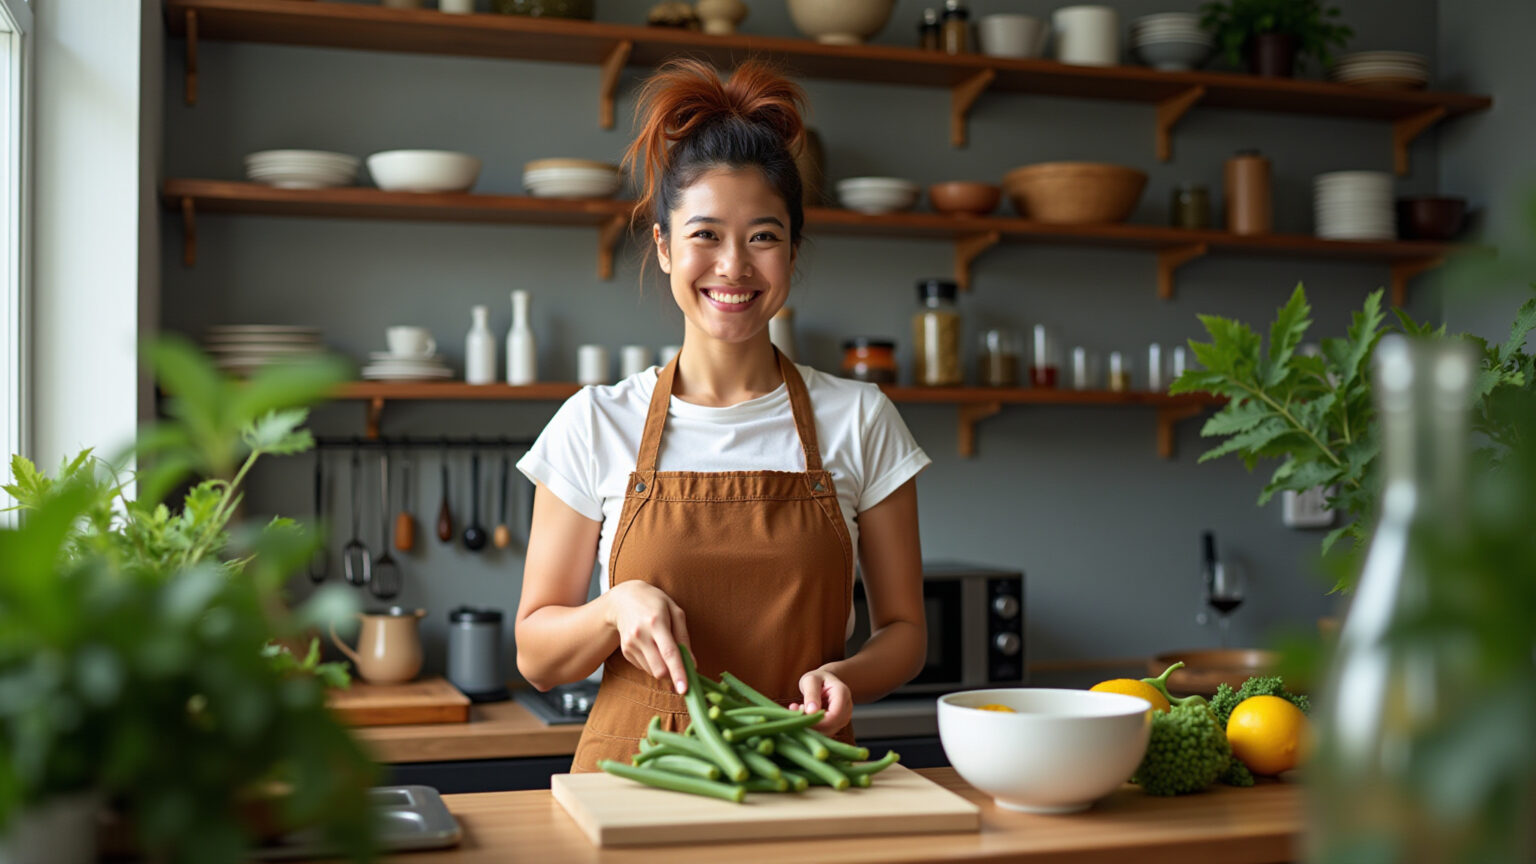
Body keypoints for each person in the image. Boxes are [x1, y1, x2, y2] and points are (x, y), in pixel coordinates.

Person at [514, 58, 930, 773]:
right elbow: (537, 655)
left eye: (763, 237)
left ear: (794, 252)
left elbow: (905, 631)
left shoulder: (861, 418)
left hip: (805, 778)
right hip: (634, 787)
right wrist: (614, 608)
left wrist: (848, 677)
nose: (734, 266)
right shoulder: (595, 422)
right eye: (705, 235)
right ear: (665, 245)